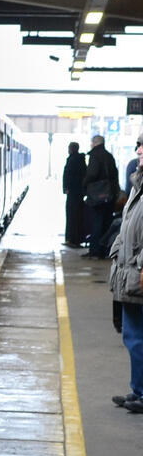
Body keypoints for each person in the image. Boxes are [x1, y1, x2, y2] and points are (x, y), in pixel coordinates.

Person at [110, 134, 143, 411]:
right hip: (128, 273)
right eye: (139, 145)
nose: (139, 150)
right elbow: (126, 225)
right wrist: (116, 251)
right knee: (133, 337)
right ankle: (138, 390)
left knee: (139, 337)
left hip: (139, 272)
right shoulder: (137, 186)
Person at [82, 134, 119, 258]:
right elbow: (114, 174)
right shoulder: (109, 156)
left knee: (96, 223)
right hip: (109, 195)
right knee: (107, 224)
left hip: (97, 196)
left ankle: (95, 252)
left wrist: (84, 183)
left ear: (94, 143)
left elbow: (92, 173)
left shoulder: (94, 156)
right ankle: (105, 251)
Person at [62, 141, 86, 246]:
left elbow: (68, 176)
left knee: (71, 216)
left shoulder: (72, 160)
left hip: (73, 193)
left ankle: (71, 239)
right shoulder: (81, 160)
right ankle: (76, 239)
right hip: (79, 193)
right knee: (78, 216)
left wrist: (66, 188)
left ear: (71, 149)